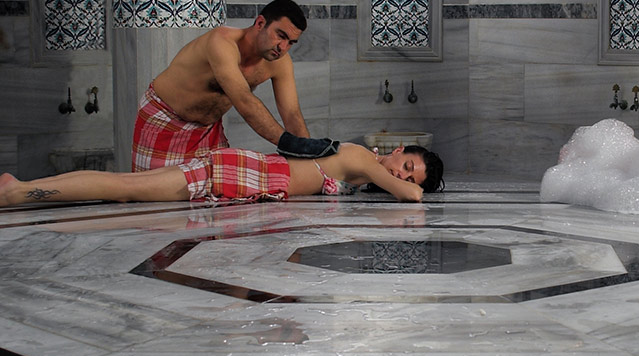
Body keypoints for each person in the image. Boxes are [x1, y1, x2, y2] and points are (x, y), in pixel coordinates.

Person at [133, 0, 337, 171]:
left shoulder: (280, 63)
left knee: (215, 196)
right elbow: (244, 100)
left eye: (291, 42)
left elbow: (292, 114)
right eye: (280, 35)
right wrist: (291, 144)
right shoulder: (221, 42)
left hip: (207, 131)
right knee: (151, 196)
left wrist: (311, 162)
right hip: (165, 119)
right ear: (260, 23)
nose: (283, 47)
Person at [1, 143, 444, 207]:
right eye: (407, 166)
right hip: (244, 173)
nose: (401, 174)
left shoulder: (363, 169)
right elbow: (411, 198)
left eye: (411, 176)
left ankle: (20, 188)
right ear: (399, 150)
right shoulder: (364, 158)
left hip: (248, 175)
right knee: (125, 188)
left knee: (127, 187)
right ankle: (16, 192)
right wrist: (410, 187)